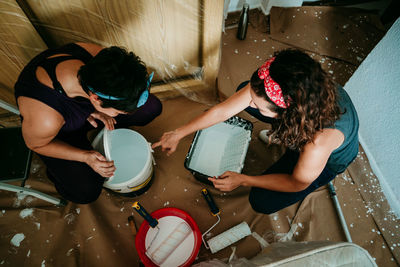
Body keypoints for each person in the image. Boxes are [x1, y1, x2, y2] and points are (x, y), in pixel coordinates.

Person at [152, 49, 359, 214]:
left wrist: (244, 179)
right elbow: (223, 111)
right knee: (243, 89)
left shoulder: (318, 143)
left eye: (258, 106)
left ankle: (288, 143)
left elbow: (296, 183)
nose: (249, 104)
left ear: (288, 112)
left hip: (327, 161)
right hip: (297, 126)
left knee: (261, 201)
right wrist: (179, 132)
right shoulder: (300, 85)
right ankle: (282, 134)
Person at [15, 43, 162, 204]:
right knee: (85, 191)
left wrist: (93, 111)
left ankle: (103, 129)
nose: (119, 115)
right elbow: (35, 145)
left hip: (87, 110)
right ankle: (60, 172)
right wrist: (85, 156)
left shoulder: (99, 58)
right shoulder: (45, 119)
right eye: (119, 112)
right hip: (58, 134)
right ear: (96, 98)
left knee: (151, 108)